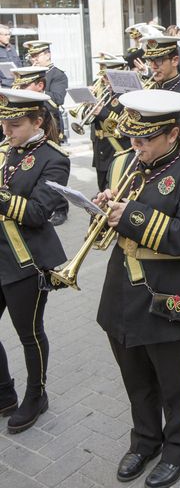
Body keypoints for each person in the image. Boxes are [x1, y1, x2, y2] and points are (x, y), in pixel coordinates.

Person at [95, 90, 180, 487]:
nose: (136, 145)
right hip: (122, 290)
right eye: (132, 136)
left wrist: (128, 213)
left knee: (175, 383)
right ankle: (145, 440)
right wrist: (101, 208)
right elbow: (109, 227)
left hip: (170, 295)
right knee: (136, 379)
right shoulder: (123, 163)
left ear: (172, 133)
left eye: (145, 138)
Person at [0, 88, 70, 432]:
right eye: (3, 123)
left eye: (14, 124)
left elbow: (40, 212)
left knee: (28, 333)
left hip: (26, 261)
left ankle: (36, 394)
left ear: (37, 121)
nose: (6, 131)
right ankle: (4, 392)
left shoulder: (54, 158)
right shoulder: (5, 151)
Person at [23, 41, 69, 226]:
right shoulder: (30, 73)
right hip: (31, 125)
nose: (33, 60)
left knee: (53, 169)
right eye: (32, 56)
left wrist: (36, 90)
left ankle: (61, 207)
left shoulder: (57, 74)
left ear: (47, 54)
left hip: (50, 126)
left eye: (37, 56)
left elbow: (58, 99)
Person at [89, 58, 133, 191]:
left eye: (107, 77)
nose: (103, 80)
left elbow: (125, 125)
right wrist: (88, 103)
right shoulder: (103, 93)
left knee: (116, 192)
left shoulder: (129, 95)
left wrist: (102, 111)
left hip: (117, 151)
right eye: (103, 76)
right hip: (100, 152)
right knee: (102, 190)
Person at [142, 36, 180, 124]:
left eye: (159, 60)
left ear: (175, 61)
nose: (153, 66)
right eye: (150, 60)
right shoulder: (149, 88)